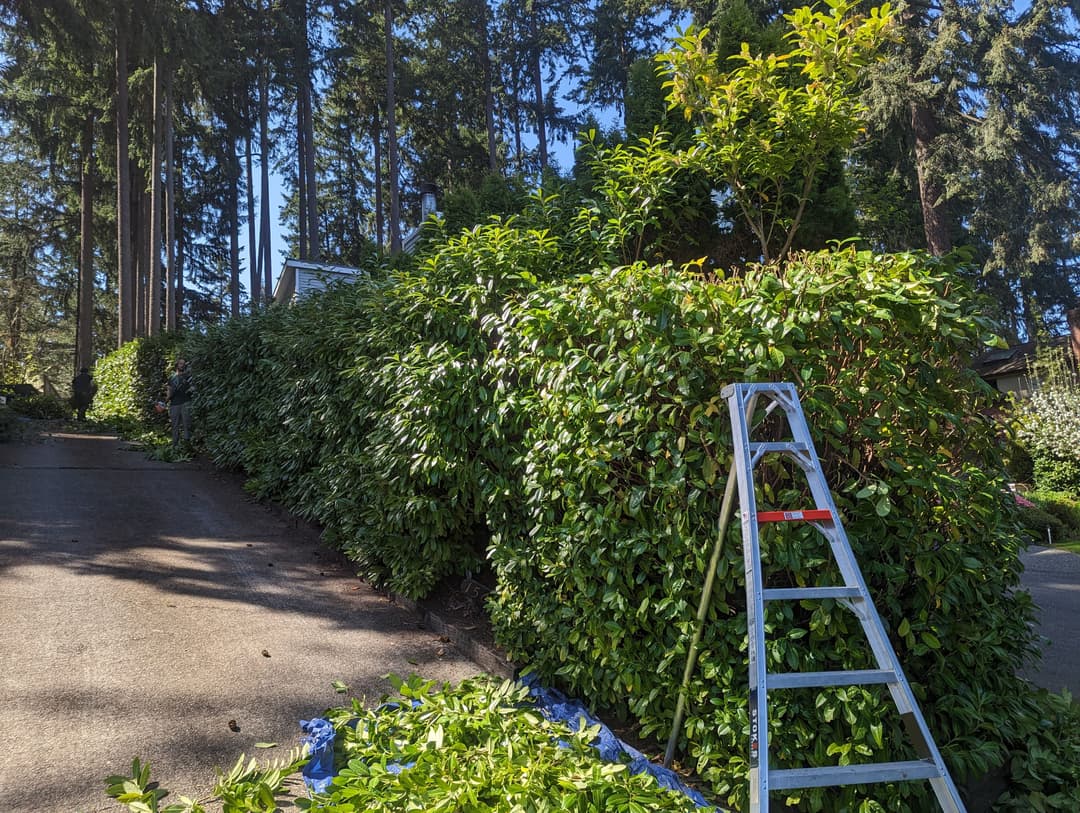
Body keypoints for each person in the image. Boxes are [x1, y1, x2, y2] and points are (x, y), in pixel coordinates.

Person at [167, 358, 193, 447]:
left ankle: (187, 447)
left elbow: (193, 388)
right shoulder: (171, 378)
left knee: (187, 425)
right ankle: (175, 446)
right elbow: (169, 391)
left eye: (184, 364)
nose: (182, 365)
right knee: (175, 426)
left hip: (186, 402)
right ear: (177, 365)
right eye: (181, 363)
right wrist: (164, 402)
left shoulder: (188, 377)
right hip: (174, 404)